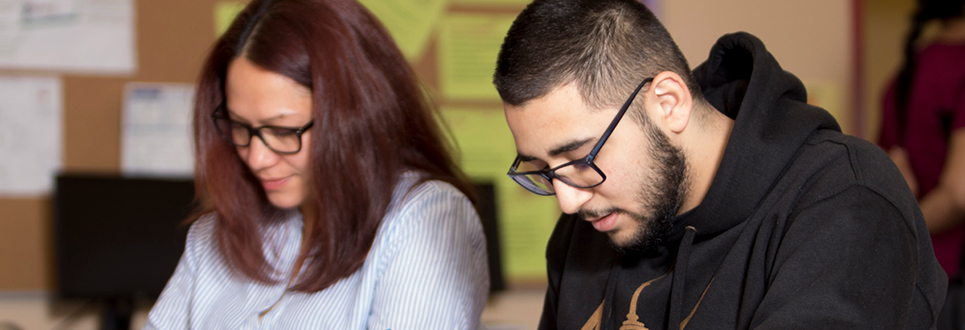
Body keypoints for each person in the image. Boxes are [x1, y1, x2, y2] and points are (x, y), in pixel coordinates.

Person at [493, 0, 946, 328]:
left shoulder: (847, 202)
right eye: (545, 170)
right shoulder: (593, 219)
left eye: (580, 157)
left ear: (668, 103)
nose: (569, 203)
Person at [144, 0, 489, 328]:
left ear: (354, 118)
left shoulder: (424, 216)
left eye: (282, 130)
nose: (257, 159)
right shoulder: (217, 233)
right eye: (240, 126)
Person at [878, 0, 965, 281]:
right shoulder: (959, 67)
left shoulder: (906, 73)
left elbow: (883, 174)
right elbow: (959, 195)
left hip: (913, 273)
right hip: (953, 274)